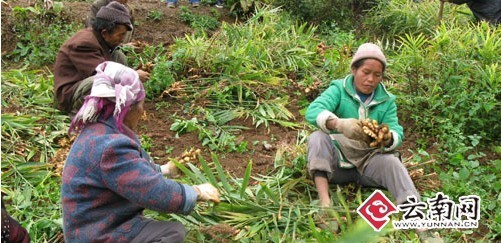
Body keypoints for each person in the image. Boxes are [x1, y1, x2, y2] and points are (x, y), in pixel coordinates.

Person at [61, 61, 220, 242]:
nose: (142, 112)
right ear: (126, 108)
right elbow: (154, 192)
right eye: (140, 105)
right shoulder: (111, 147)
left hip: (93, 223)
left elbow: (126, 174)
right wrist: (197, 192)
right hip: (98, 233)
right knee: (172, 232)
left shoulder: (99, 130)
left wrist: (164, 170)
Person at [305, 43, 441, 242]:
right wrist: (339, 123)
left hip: (369, 167)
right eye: (366, 72)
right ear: (354, 70)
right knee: (317, 138)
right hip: (338, 166)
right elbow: (313, 111)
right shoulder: (338, 90)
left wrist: (388, 138)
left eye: (377, 75)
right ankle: (325, 205)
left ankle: (419, 222)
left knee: (393, 163)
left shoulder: (387, 100)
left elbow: (396, 131)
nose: (370, 80)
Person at [53, 1, 150, 117]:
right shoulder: (84, 43)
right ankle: (82, 114)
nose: (122, 39)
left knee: (118, 56)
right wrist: (133, 75)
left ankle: (115, 105)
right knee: (100, 81)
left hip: (82, 83)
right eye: (120, 35)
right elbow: (103, 73)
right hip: (70, 97)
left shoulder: (99, 38)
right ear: (105, 33)